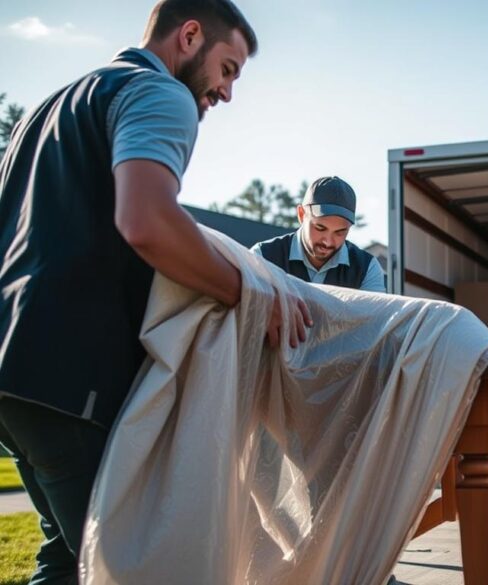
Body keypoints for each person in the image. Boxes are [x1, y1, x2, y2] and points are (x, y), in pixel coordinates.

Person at [0, 2, 311, 583]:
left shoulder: (48, 109)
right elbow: (146, 220)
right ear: (189, 36)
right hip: (67, 379)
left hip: (13, 373)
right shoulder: (160, 93)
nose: (226, 92)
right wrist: (251, 293)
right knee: (135, 568)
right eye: (228, 69)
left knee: (69, 560)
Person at [251, 176, 386, 293]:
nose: (328, 241)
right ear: (301, 214)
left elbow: (375, 321)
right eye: (320, 228)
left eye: (340, 232)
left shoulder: (367, 269)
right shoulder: (262, 257)